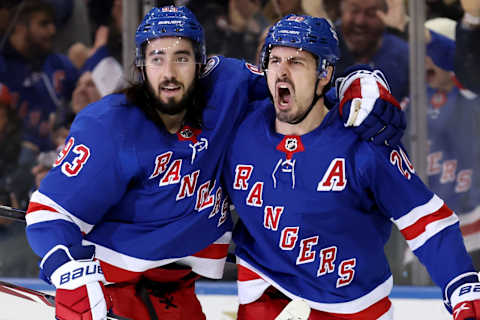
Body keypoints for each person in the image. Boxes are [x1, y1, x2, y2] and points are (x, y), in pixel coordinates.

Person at [25, 5, 404, 320]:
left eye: (182, 58)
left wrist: (357, 85)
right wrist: (70, 271)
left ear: (202, 64)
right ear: (140, 66)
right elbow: (49, 213)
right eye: (156, 59)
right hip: (112, 290)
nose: (169, 73)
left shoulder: (229, 85)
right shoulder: (107, 126)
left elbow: (299, 89)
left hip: (179, 293)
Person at [223, 14, 480, 320]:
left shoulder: (363, 138)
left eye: (296, 62)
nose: (281, 72)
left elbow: (425, 221)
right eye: (275, 60)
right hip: (265, 300)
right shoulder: (238, 127)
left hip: (353, 309)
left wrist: (462, 288)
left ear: (325, 73)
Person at [0, 0, 79, 167]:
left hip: (62, 156)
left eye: (52, 24)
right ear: (20, 27)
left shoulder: (58, 64)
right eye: (43, 24)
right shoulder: (3, 70)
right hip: (13, 164)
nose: (52, 30)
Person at [335, 0, 409, 104]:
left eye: (371, 13)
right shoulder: (324, 51)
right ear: (341, 11)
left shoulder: (404, 56)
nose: (360, 21)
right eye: (354, 11)